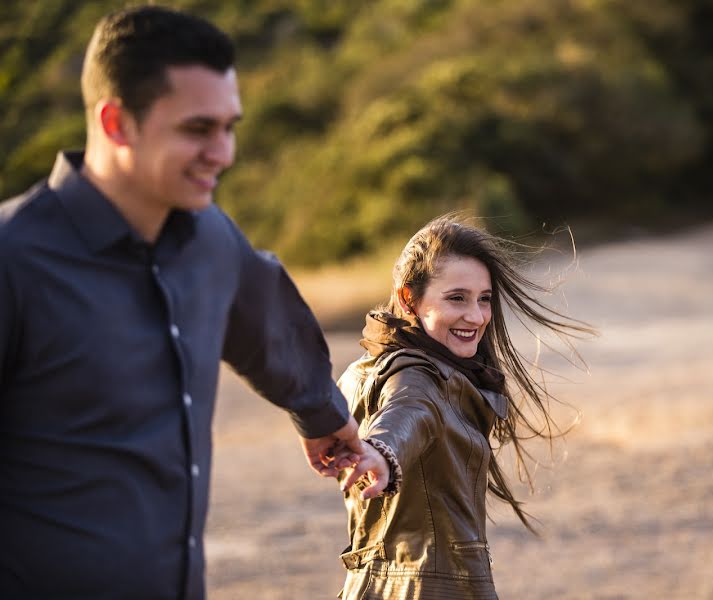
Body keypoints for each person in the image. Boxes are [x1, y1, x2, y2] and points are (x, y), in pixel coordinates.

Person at [0, 6, 379, 599]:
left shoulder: (210, 241)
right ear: (116, 122)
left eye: (230, 128)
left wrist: (323, 415)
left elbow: (265, 319)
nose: (223, 153)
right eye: (198, 129)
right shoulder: (13, 263)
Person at [335, 216, 593, 598]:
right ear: (409, 298)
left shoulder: (364, 369)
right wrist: (382, 452)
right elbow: (408, 413)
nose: (476, 316)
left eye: (484, 299)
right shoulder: (420, 377)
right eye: (457, 298)